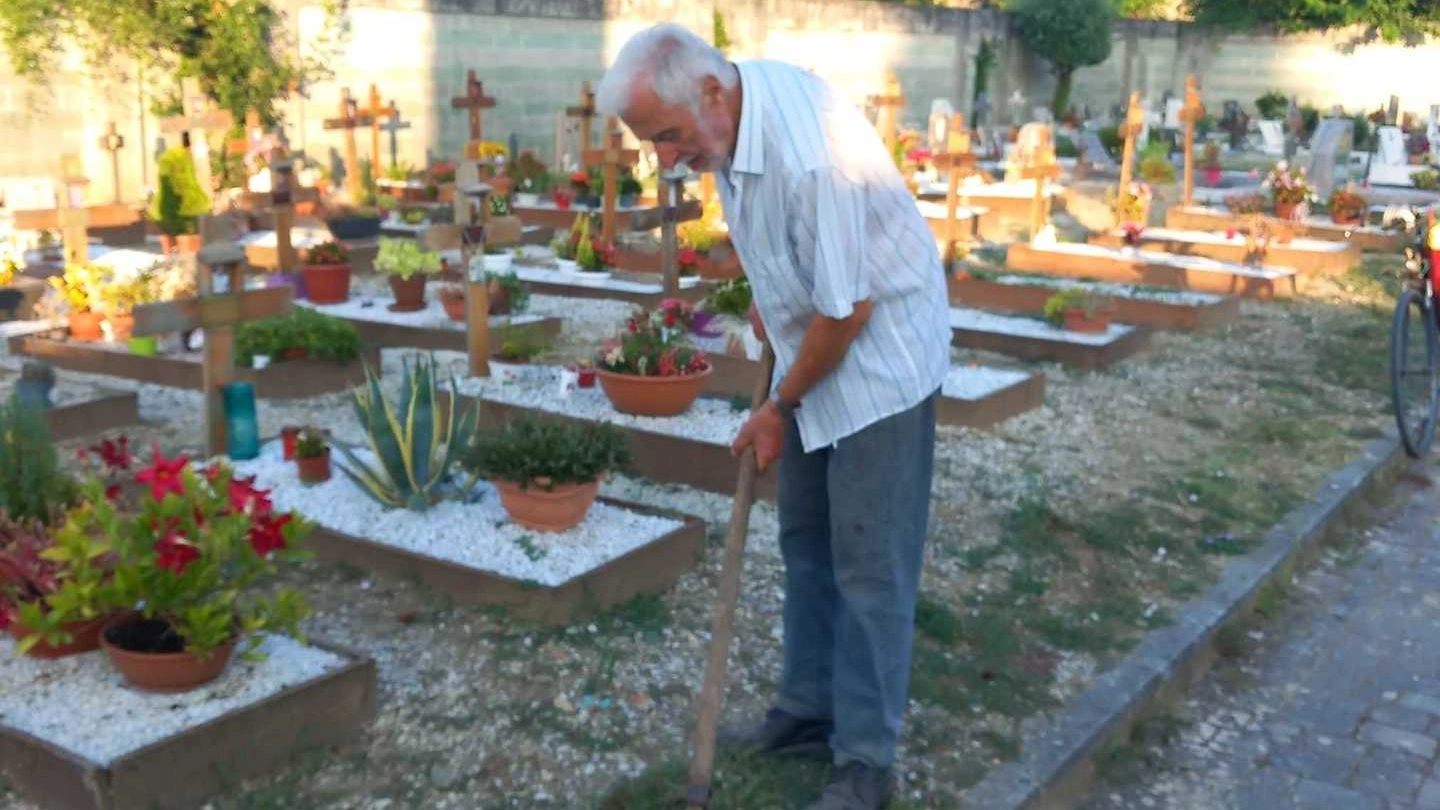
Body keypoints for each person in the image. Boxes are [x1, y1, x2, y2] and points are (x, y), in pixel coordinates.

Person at [596, 24, 951, 810]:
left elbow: (849, 306)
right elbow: (781, 242)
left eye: (666, 136)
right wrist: (769, 294)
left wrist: (777, 408)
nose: (664, 156)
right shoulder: (726, 122)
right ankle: (806, 708)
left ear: (710, 95)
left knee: (869, 562)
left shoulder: (810, 152)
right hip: (815, 343)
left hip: (879, 361)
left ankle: (864, 757)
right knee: (805, 539)